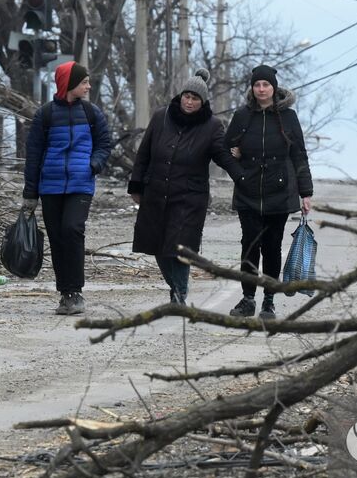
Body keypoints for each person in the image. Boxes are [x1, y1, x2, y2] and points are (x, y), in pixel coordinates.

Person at [127, 69, 243, 305]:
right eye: (186, 97)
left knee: (178, 249)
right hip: (157, 192)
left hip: (189, 197)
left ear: (203, 102)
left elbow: (222, 155)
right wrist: (136, 186)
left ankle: (179, 294)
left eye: (195, 99)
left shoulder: (212, 126)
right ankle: (176, 286)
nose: (189, 102)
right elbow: (144, 153)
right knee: (157, 245)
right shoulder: (162, 117)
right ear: (181, 96)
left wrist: (242, 175)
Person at [22, 61, 112, 315]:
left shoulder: (92, 113)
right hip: (49, 186)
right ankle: (66, 294)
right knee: (57, 237)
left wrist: (94, 164)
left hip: (80, 184)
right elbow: (34, 154)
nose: (88, 86)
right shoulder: (46, 115)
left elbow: (105, 143)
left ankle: (76, 291)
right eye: (84, 82)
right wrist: (30, 193)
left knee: (72, 229)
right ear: (70, 84)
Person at [225, 63, 312, 318]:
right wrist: (237, 169)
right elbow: (224, 150)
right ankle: (248, 299)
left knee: (272, 247)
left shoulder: (288, 117)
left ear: (274, 88)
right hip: (247, 191)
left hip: (279, 192)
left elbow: (299, 156)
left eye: (266, 84)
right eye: (257, 85)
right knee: (249, 244)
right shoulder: (242, 116)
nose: (261, 89)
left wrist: (306, 192)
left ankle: (269, 301)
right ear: (252, 89)